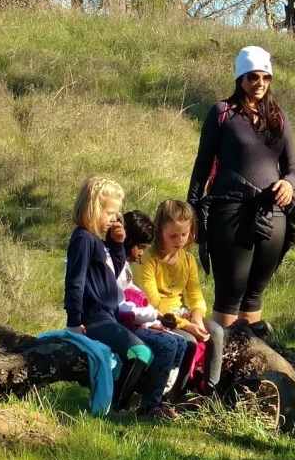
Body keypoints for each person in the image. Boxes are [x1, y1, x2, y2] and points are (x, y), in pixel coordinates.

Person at [187, 45, 295, 329]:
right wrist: (191, 210)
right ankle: (219, 366)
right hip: (230, 212)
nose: (259, 83)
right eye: (253, 77)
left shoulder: (278, 117)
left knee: (253, 297)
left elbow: (293, 168)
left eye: (265, 77)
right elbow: (202, 166)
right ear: (240, 79)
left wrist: (289, 184)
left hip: (273, 214)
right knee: (229, 297)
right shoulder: (222, 113)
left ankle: (248, 365)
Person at [64, 177, 153, 414]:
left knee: (139, 354)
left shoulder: (98, 242)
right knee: (140, 352)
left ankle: (118, 404)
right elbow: (75, 281)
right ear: (93, 209)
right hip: (94, 318)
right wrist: (74, 322)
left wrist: (117, 244)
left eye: (117, 214)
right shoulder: (83, 239)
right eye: (110, 213)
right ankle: (115, 408)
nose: (115, 219)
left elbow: (113, 270)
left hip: (108, 316)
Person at [132, 200, 224, 394]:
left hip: (182, 314)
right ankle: (177, 392)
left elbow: (195, 295)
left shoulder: (188, 260)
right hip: (158, 317)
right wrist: (186, 325)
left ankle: (210, 389)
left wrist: (197, 316)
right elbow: (153, 302)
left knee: (216, 331)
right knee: (189, 341)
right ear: (159, 232)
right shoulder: (148, 259)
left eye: (184, 234)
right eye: (173, 236)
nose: (180, 240)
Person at [116, 210, 190, 417]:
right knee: (167, 344)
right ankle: (150, 405)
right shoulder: (115, 268)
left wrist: (152, 321)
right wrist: (154, 317)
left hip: (137, 322)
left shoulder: (126, 267)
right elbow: (122, 309)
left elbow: (136, 301)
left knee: (181, 343)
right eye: (139, 247)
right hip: (120, 324)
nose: (140, 254)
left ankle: (158, 397)